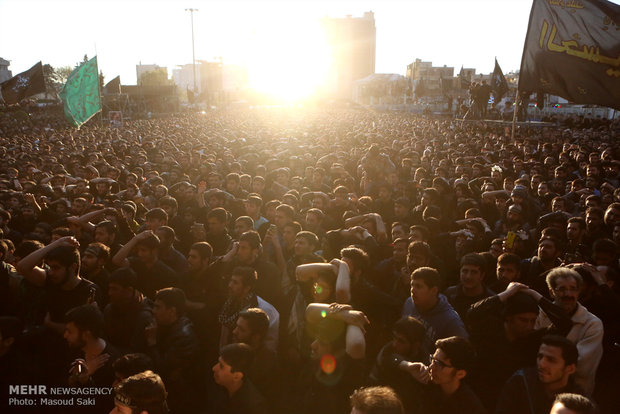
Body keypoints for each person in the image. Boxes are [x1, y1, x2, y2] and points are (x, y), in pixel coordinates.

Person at [535, 268, 603, 396]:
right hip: (538, 392)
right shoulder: (540, 315)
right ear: (551, 292)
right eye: (562, 289)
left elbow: (582, 366)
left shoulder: (592, 324)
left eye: (573, 289)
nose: (568, 294)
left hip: (574, 394)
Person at [145, 287, 202, 413]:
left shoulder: (184, 337)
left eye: (158, 307)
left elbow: (162, 370)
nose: (153, 311)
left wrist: (152, 343)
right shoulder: (163, 326)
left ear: (172, 311)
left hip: (179, 400)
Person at [496, 335, 583, 414]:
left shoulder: (579, 400)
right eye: (540, 357)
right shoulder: (521, 382)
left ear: (570, 369)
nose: (541, 364)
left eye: (551, 360)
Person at [402, 267, 468, 353]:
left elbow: (464, 350)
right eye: (412, 285)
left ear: (433, 291)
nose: (412, 290)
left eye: (418, 286)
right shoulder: (409, 303)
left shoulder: (451, 321)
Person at [415, 336, 486, 414]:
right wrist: (406, 366)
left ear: (460, 374)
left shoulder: (470, 407)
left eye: (440, 364)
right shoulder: (426, 381)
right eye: (433, 360)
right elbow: (398, 359)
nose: (431, 367)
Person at [112, 231, 178, 300]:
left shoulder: (167, 274)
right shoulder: (136, 263)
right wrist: (135, 239)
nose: (139, 254)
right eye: (138, 250)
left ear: (154, 251)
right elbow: (116, 260)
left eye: (143, 250)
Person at [211, 342, 268, 414]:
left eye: (221, 366)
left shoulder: (254, 407)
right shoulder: (219, 385)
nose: (214, 368)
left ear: (237, 377)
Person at [445, 253, 495, 321]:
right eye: (465, 271)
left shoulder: (491, 300)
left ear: (482, 275)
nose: (468, 276)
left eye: (474, 272)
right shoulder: (450, 294)